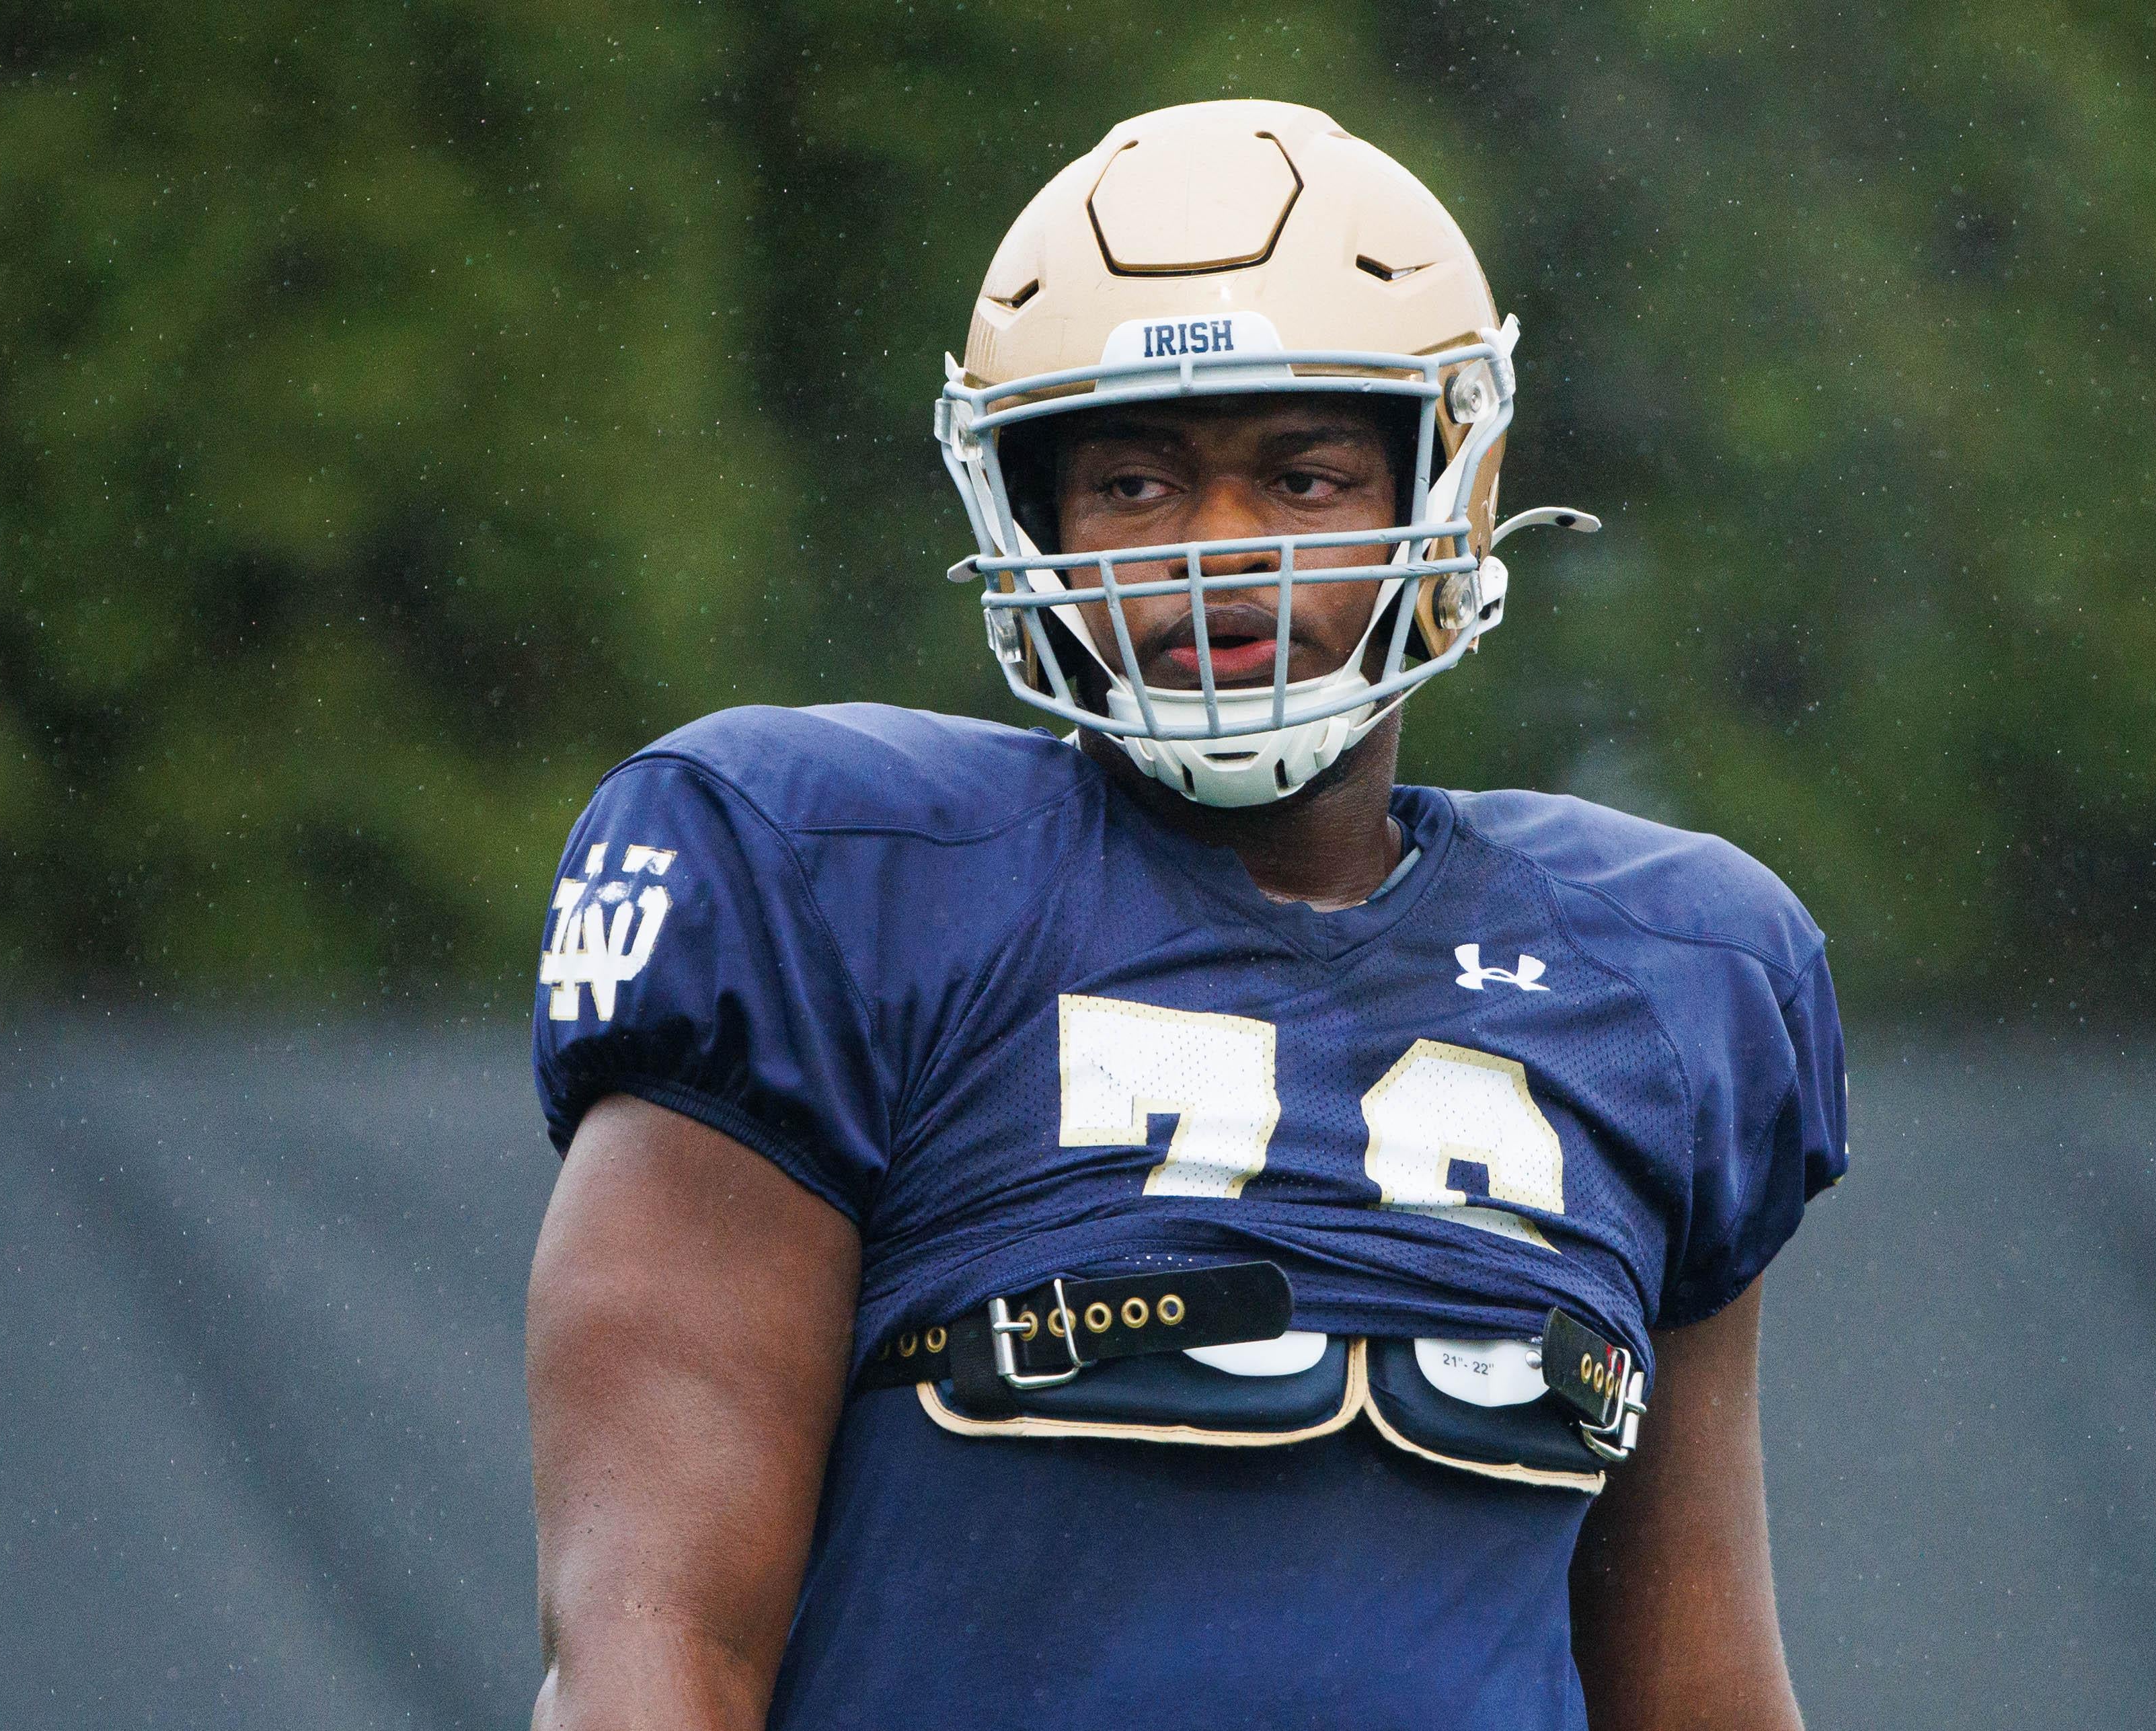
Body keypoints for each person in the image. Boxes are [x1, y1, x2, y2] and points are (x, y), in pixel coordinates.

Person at [526, 100, 1846, 1731]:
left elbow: (1697, 1690)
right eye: (1135, 480)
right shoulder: (830, 877)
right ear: (1030, 514)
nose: (1215, 555)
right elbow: (656, 1652)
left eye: (1300, 474)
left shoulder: (1675, 971)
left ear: (1446, 487)